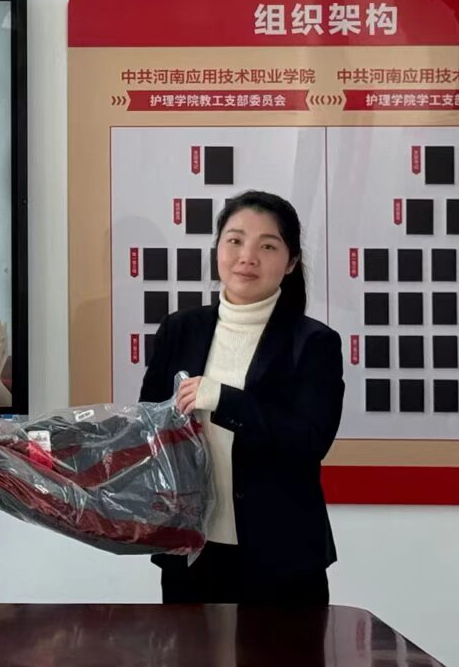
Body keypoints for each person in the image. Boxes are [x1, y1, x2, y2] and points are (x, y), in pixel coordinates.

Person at [141, 189, 343, 605]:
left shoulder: (314, 343)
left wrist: (224, 399)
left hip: (282, 558)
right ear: (218, 249)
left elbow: (309, 441)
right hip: (190, 553)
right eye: (235, 240)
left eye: (267, 246)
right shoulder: (180, 329)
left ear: (290, 262)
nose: (247, 257)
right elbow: (149, 427)